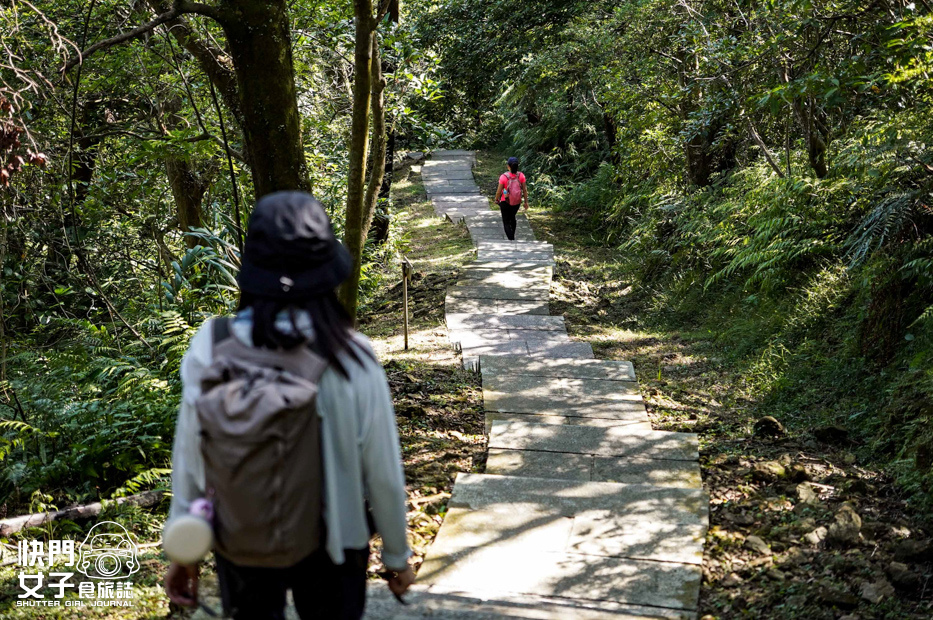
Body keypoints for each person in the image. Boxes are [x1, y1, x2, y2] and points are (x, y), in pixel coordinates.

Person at [163, 191, 414, 619]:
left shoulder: (212, 342)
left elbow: (190, 455)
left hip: (239, 536)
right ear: (325, 270)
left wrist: (183, 551)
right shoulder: (351, 354)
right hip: (337, 542)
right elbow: (383, 471)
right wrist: (396, 556)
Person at [494, 156, 529, 241]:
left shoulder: (504, 177)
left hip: (505, 201)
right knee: (512, 217)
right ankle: (512, 236)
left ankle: (511, 239)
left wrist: (496, 199)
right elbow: (524, 190)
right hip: (516, 202)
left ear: (508, 166)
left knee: (506, 221)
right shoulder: (521, 176)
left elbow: (499, 191)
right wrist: (526, 202)